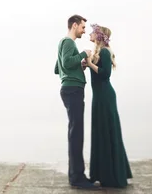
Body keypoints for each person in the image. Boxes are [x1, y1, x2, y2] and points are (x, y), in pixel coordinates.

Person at [84, 24, 132, 188]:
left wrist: (90, 64)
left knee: (106, 132)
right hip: (99, 97)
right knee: (100, 133)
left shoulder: (104, 51)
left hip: (105, 97)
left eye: (92, 32)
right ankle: (100, 173)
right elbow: (98, 70)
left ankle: (111, 175)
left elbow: (105, 74)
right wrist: (87, 64)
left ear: (98, 35)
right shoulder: (98, 52)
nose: (89, 33)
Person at [55, 14, 99, 190]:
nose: (84, 30)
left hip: (70, 88)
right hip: (73, 90)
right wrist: (83, 54)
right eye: (82, 27)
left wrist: (76, 67)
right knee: (76, 134)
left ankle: (76, 175)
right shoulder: (68, 42)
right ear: (74, 25)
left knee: (75, 133)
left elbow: (58, 67)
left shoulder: (63, 43)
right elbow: (65, 62)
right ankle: (77, 178)